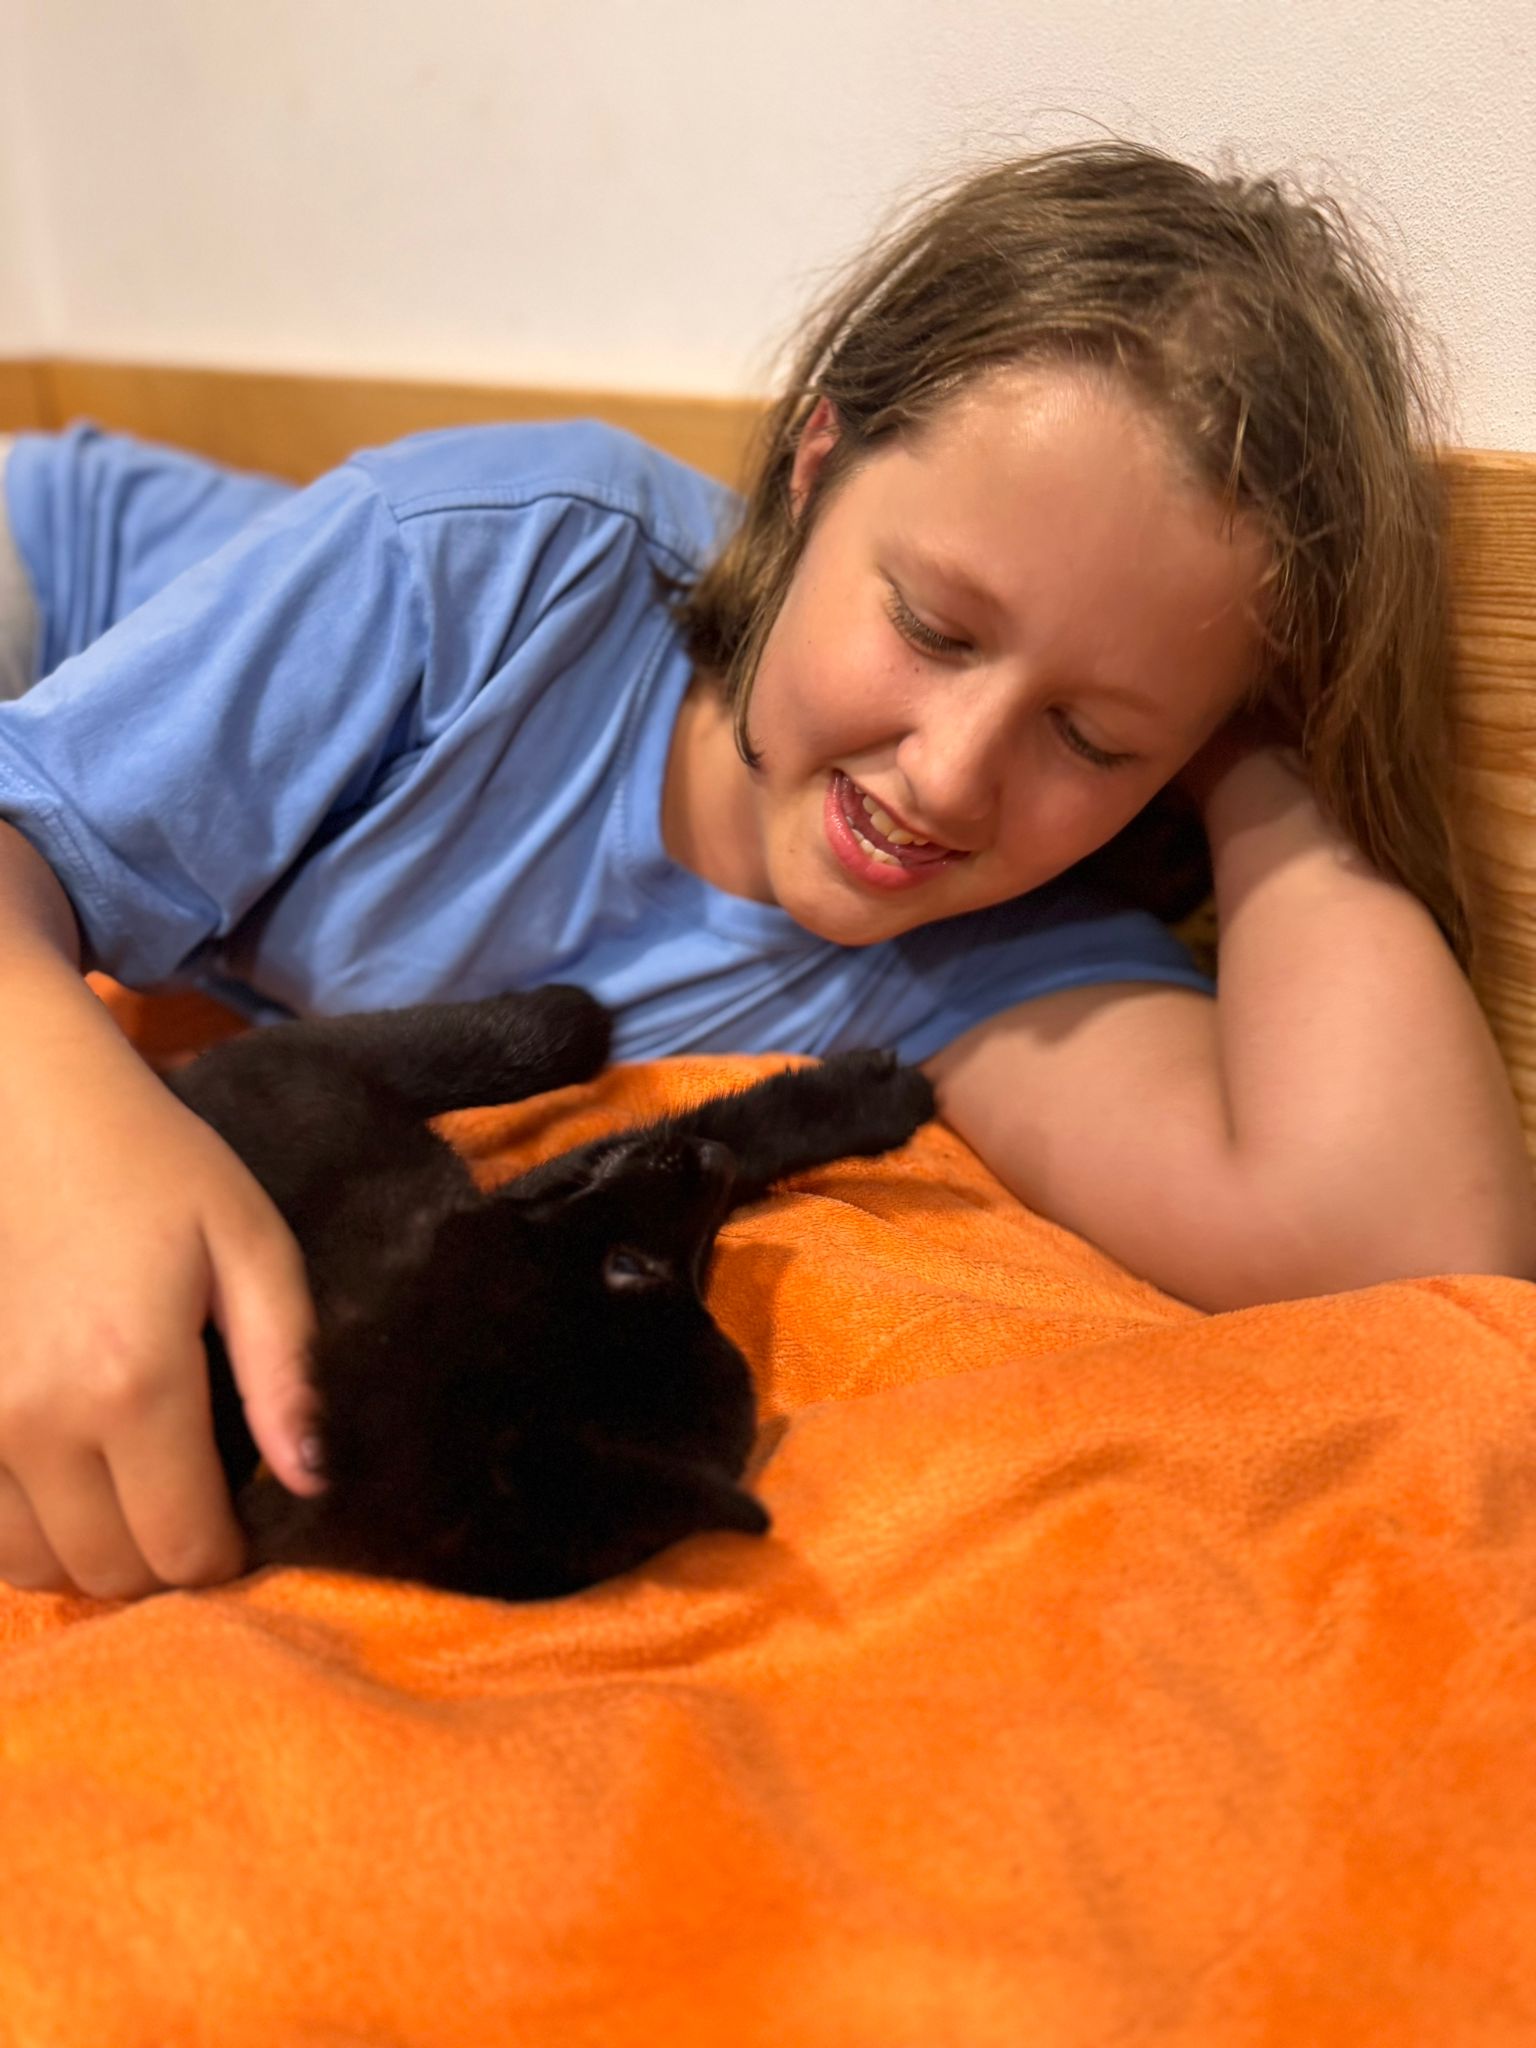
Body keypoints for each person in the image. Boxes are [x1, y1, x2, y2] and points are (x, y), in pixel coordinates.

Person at [0, 142, 1530, 1602]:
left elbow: (1413, 1257)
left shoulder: (991, 952)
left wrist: (1266, 762)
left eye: (1093, 735)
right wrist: (66, 1131)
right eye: (932, 628)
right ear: (814, 469)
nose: (952, 776)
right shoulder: (495, 570)